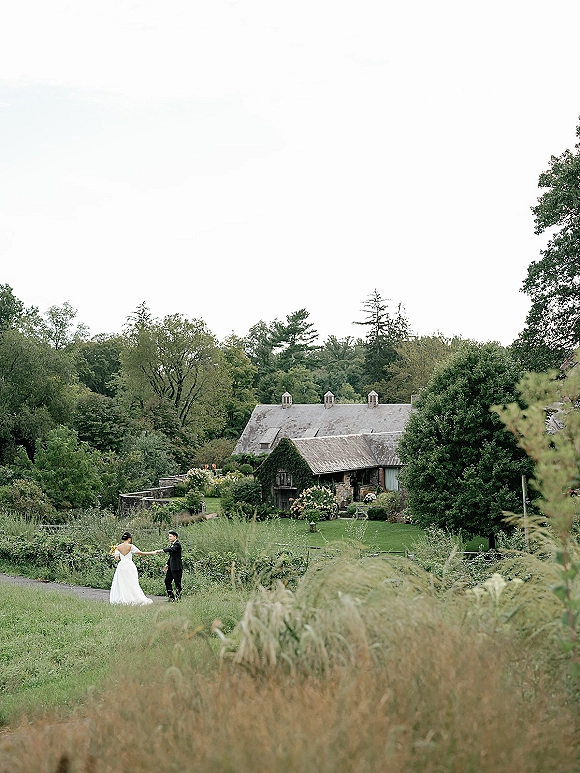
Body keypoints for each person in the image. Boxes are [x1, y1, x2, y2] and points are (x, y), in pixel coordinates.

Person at [110, 531, 157, 606]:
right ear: (129, 538)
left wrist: (114, 554)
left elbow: (117, 558)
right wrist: (152, 552)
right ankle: (132, 597)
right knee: (132, 582)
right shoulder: (130, 546)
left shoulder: (118, 547)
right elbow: (140, 553)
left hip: (121, 566)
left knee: (122, 583)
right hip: (129, 565)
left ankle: (123, 597)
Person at [154, 530, 182, 601]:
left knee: (177, 583)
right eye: (169, 536)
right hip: (171, 567)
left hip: (177, 567)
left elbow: (171, 549)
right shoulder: (172, 544)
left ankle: (178, 598)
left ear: (175, 537)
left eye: (170, 536)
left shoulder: (177, 544)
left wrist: (161, 550)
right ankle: (171, 597)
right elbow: (171, 556)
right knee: (167, 581)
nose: (169, 538)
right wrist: (167, 564)